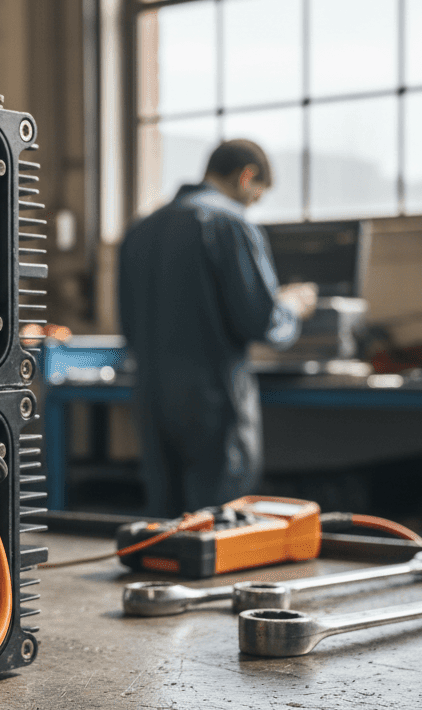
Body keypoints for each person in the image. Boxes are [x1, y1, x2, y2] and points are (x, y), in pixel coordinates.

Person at [118, 139, 316, 517]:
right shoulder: (230, 223)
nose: (252, 205)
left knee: (165, 525)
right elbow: (260, 320)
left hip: (151, 399)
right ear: (247, 177)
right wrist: (290, 305)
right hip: (213, 400)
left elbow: (128, 323)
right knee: (218, 525)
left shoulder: (140, 230)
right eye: (256, 196)